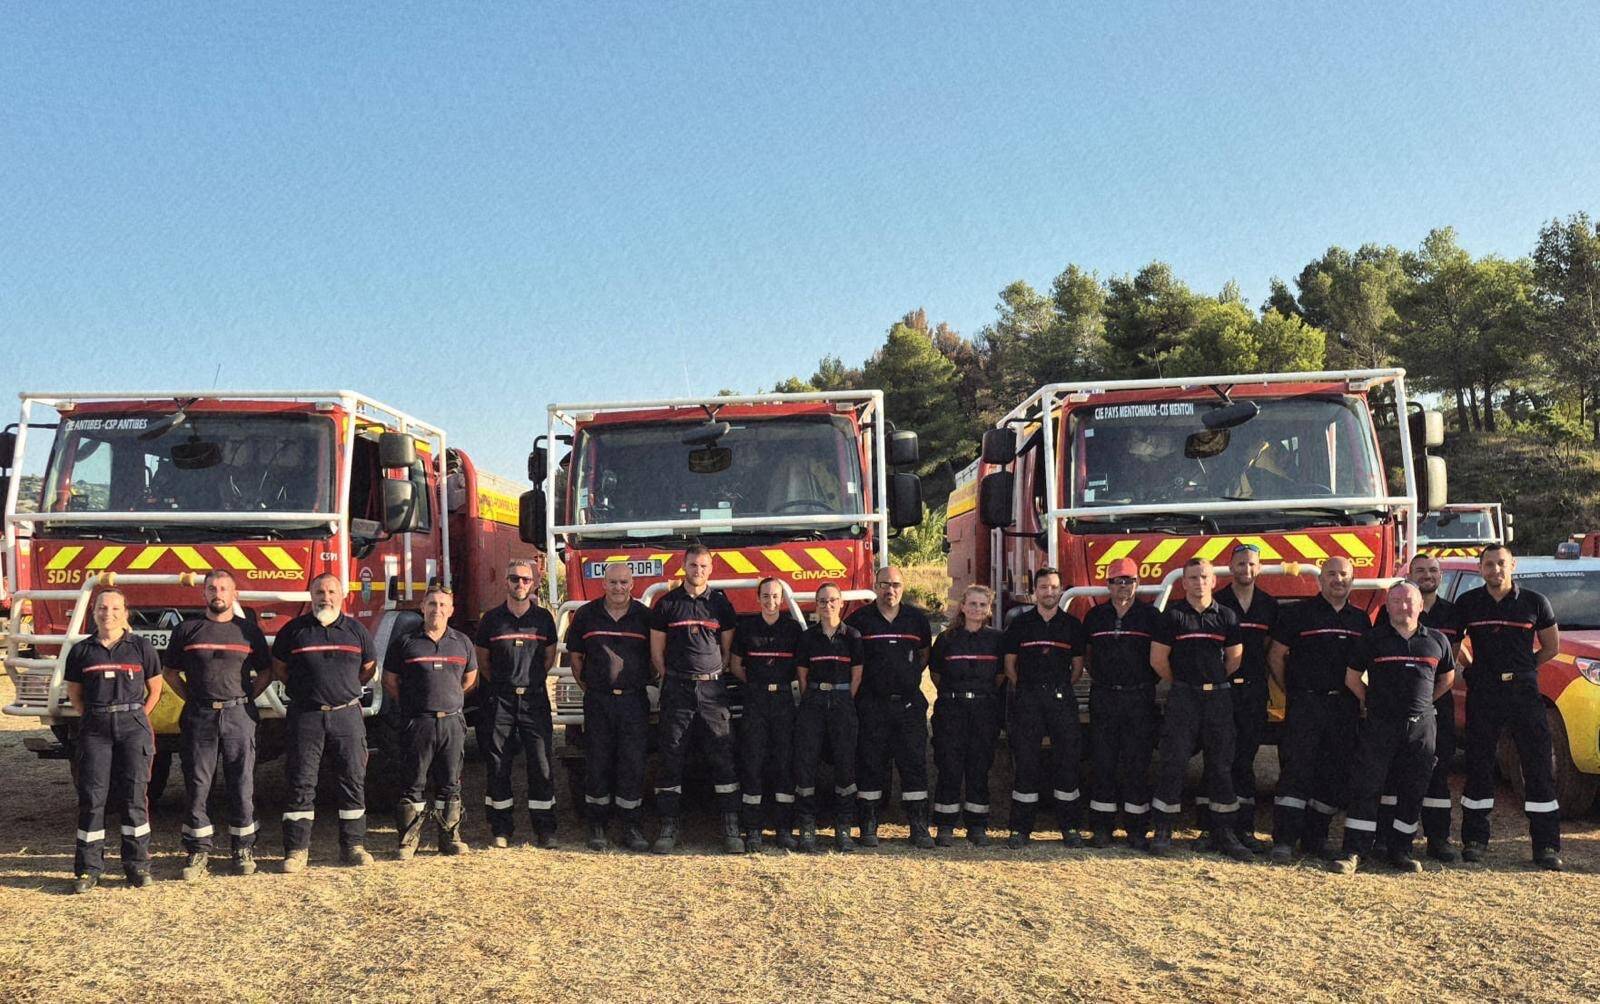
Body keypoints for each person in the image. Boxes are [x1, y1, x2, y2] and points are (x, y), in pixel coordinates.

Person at [1329, 582, 1455, 874]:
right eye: (1396, 601)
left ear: (1420, 605)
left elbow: (1447, 679)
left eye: (1409, 601)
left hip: (1421, 728)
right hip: (1379, 726)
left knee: (1413, 789)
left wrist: (1422, 706)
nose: (1403, 606)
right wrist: (1370, 702)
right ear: (1388, 606)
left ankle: (1401, 849)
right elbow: (1352, 678)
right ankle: (1354, 851)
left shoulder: (1437, 640)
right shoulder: (1372, 639)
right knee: (1367, 787)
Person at [1454, 544, 1563, 869]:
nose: (1495, 570)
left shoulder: (1534, 602)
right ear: (1480, 568)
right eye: (1489, 564)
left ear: (1512, 565)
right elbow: (1455, 643)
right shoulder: (1468, 603)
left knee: (1538, 767)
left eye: (1501, 563)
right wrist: (1472, 668)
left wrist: (1525, 667)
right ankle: (1474, 840)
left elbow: (1551, 647)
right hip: (1484, 692)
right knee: (1479, 765)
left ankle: (1546, 847)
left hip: (1523, 692)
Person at [162, 569, 272, 880]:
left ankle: (243, 849)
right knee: (198, 785)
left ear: (234, 594)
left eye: (224, 588)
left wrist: (246, 697)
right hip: (200, 716)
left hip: (239, 716)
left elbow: (266, 672)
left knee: (242, 783)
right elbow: (170, 673)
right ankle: (198, 850)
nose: (217, 593)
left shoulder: (249, 631)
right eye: (212, 588)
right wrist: (193, 698)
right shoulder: (187, 630)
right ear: (204, 594)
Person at [269, 572, 379, 871]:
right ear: (311, 595)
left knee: (352, 780)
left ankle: (354, 847)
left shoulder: (356, 631)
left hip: (347, 715)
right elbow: (280, 668)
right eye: (319, 592)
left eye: (331, 591)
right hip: (306, 715)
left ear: (341, 595)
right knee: (301, 781)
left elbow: (367, 669)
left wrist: (341, 690)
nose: (325, 597)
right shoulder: (293, 631)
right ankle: (296, 850)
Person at [1267, 556, 1370, 863]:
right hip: (1306, 704)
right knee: (1296, 771)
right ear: (1320, 579)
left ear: (1352, 580)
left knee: (1334, 772)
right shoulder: (1298, 613)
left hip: (1343, 707)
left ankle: (1316, 837)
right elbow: (1276, 656)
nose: (1339, 580)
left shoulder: (1361, 620)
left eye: (1345, 575)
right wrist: (1292, 692)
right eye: (1332, 574)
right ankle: (1284, 839)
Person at [1149, 558, 1253, 861]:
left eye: (1204, 576)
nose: (1198, 582)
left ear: (1214, 581)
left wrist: (1212, 681)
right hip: (1184, 698)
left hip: (1218, 698)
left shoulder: (1228, 617)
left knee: (1221, 764)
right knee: (1174, 761)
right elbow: (1158, 660)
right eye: (1192, 577)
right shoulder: (1172, 616)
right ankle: (1164, 830)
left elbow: (1234, 660)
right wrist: (1185, 683)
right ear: (1184, 583)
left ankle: (1223, 831)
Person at [64, 587, 163, 892]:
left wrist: (137, 717)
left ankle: (137, 866)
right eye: (103, 608)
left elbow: (155, 689)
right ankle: (88, 869)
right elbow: (75, 694)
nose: (109, 614)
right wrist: (97, 716)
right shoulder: (81, 650)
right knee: (93, 799)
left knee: (134, 797)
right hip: (96, 727)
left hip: (133, 725)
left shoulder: (141, 647)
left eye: (115, 608)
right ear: (93, 613)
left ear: (126, 613)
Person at [649, 544, 741, 854]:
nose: (697, 571)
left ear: (710, 569)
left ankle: (730, 825)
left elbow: (727, 649)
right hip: (677, 690)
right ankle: (668, 825)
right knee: (671, 756)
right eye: (692, 565)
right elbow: (656, 652)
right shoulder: (666, 604)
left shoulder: (720, 604)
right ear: (683, 566)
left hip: (713, 691)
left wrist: (713, 674)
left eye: (703, 566)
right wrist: (674, 677)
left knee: (723, 755)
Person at [1379, 555, 1465, 861]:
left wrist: (1430, 698)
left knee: (1437, 771)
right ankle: (1387, 839)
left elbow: (1449, 663)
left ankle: (1438, 839)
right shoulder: (1391, 609)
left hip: (1434, 703)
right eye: (1420, 570)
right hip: (1397, 709)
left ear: (1440, 575)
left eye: (1432, 570)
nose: (1427, 575)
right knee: (1392, 774)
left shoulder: (1454, 613)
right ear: (1409, 574)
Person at [383, 587, 478, 860]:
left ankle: (450, 838)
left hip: (451, 722)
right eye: (432, 604)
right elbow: (390, 681)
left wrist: (449, 701)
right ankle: (408, 840)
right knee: (413, 782)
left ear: (451, 610)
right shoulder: (405, 642)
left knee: (450, 783)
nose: (437, 609)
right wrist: (415, 704)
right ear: (422, 607)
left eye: (443, 605)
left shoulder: (462, 642)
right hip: (418, 722)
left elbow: (469, 679)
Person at [565, 562, 653, 853]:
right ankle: (597, 825)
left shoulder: (644, 616)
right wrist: (590, 688)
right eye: (613, 582)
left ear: (632, 585)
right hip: (598, 700)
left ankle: (631, 825)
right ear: (603, 584)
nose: (618, 588)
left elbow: (656, 656)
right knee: (597, 761)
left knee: (633, 762)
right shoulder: (587, 615)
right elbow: (576, 659)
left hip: (633, 700)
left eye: (624, 583)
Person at [846, 565, 935, 848]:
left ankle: (918, 826)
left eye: (895, 584)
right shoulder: (860, 620)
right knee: (870, 763)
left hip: (909, 705)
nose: (890, 590)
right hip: (872, 704)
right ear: (875, 586)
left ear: (903, 587)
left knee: (914, 764)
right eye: (884, 584)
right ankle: (869, 826)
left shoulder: (917, 619)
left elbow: (923, 656)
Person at [474, 558, 560, 848]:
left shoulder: (544, 619)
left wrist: (529, 680)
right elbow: (483, 661)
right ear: (506, 582)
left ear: (533, 583)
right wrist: (506, 683)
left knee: (541, 763)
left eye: (525, 579)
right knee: (498, 763)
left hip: (534, 700)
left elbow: (549, 658)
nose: (519, 584)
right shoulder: (492, 620)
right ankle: (501, 828)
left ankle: (545, 829)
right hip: (500, 700)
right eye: (514, 579)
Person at [1003, 566, 1086, 848]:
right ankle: (1020, 829)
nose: (1049, 592)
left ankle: (1070, 828)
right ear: (1034, 591)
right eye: (1043, 587)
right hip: (1028, 698)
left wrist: (1058, 688)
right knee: (1026, 762)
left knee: (1067, 762)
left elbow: (1077, 667)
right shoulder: (1021, 624)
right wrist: (1027, 688)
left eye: (1053, 587)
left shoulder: (1072, 626)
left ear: (1061, 590)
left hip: (1061, 698)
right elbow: (1010, 665)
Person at [1083, 558, 1162, 848]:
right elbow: (1088, 657)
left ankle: (1136, 829)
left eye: (1129, 580)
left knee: (1136, 761)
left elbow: (1159, 656)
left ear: (1137, 584)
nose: (1123, 586)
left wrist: (1144, 683)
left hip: (1139, 697)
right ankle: (1102, 828)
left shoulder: (1150, 616)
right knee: (1102, 761)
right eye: (1118, 581)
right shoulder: (1095, 616)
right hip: (1104, 696)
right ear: (1108, 585)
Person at [729, 577, 803, 851]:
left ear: (782, 599)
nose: (770, 601)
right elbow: (736, 665)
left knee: (784, 763)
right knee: (752, 762)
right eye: (766, 596)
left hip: (783, 699)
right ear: (757, 598)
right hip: (755, 700)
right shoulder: (747, 628)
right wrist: (756, 683)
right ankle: (753, 830)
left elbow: (800, 666)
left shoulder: (793, 629)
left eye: (775, 596)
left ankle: (784, 829)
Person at [1213, 543, 1279, 851]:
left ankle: (1245, 827)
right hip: (1224, 691)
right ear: (1230, 568)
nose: (1246, 570)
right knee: (1221, 757)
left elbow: (1269, 648)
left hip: (1253, 689)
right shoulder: (1217, 602)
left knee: (1246, 758)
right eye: (1241, 564)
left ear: (1260, 568)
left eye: (1252, 564)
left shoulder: (1268, 603)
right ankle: (1215, 828)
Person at [929, 584, 1006, 847]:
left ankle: (977, 826)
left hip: (984, 710)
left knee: (979, 768)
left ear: (989, 610)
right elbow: (936, 675)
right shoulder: (947, 639)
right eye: (972, 604)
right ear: (962, 606)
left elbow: (999, 676)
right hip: (952, 710)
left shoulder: (997, 640)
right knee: (949, 767)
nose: (977, 609)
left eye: (982, 605)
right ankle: (945, 826)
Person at [792, 582, 864, 852]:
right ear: (816, 604)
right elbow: (802, 673)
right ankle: (807, 827)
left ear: (841, 602)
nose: (827, 605)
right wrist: (813, 696)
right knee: (806, 764)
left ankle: (843, 828)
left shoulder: (853, 637)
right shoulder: (807, 638)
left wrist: (844, 698)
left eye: (832, 600)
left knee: (845, 765)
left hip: (843, 703)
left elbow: (857, 674)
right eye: (822, 601)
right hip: (813, 703)